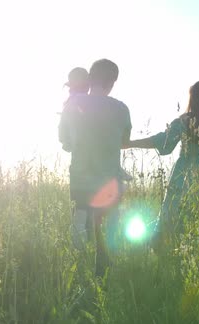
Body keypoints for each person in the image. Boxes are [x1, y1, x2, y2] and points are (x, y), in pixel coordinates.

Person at [125, 80, 199, 249]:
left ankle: (167, 254)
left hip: (185, 178)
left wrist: (130, 143)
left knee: (174, 220)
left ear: (193, 99)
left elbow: (163, 142)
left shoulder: (184, 122)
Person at [59, 59, 132, 276]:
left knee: (81, 222)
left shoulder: (73, 103)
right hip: (109, 181)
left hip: (81, 178)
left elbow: (64, 141)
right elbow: (124, 142)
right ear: (112, 82)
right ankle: (107, 271)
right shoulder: (121, 109)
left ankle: (81, 272)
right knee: (106, 229)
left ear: (90, 78)